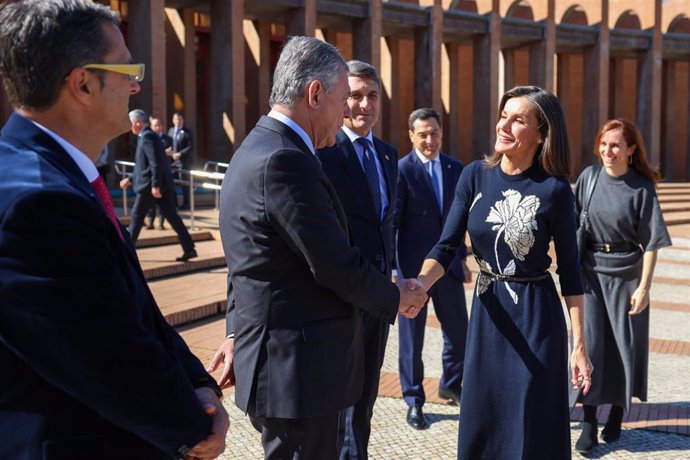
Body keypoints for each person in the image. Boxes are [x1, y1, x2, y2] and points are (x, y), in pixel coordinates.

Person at [0, 1, 228, 459]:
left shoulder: (59, 177)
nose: (137, 85)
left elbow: (135, 309)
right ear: (82, 83)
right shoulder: (38, 201)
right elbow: (108, 357)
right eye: (127, 69)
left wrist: (199, 382)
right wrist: (193, 425)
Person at [212, 36, 427, 459]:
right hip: (296, 374)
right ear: (315, 94)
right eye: (343, 97)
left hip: (290, 367)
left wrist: (237, 329)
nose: (346, 110)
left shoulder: (260, 145)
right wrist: (396, 295)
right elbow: (332, 262)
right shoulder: (284, 160)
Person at [415, 86, 593, 459]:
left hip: (537, 316)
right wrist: (418, 287)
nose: (505, 125)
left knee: (533, 416)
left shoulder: (555, 189)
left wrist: (579, 346)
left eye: (518, 120)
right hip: (489, 311)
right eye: (503, 115)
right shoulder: (474, 176)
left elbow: (571, 272)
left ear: (541, 134)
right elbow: (447, 246)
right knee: (486, 412)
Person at [573, 119, 672, 454]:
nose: (607, 151)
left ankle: (616, 412)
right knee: (592, 346)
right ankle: (588, 422)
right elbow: (570, 224)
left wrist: (644, 287)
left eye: (615, 145)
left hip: (628, 276)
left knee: (622, 347)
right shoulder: (588, 178)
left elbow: (653, 242)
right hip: (590, 274)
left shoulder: (642, 186)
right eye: (603, 143)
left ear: (631, 150)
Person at [315, 59, 398, 459]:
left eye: (372, 96)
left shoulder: (387, 155)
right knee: (341, 402)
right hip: (342, 297)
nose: (364, 105)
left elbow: (387, 224)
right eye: (354, 95)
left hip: (378, 298)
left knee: (365, 399)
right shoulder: (324, 152)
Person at [394, 108, 471, 430]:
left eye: (434, 133)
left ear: (442, 133)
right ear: (411, 135)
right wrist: (397, 274)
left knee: (459, 332)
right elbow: (393, 225)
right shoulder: (400, 171)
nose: (429, 140)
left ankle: (450, 384)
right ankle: (414, 400)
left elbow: (461, 219)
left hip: (449, 269)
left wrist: (464, 258)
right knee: (412, 339)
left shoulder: (456, 168)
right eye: (422, 134)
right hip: (413, 274)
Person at [120, 109, 197, 261]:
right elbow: (143, 165)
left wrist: (155, 186)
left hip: (151, 187)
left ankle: (126, 255)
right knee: (172, 217)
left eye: (131, 123)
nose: (130, 127)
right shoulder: (146, 136)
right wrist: (130, 178)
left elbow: (155, 163)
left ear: (137, 123)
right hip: (157, 186)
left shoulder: (148, 136)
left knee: (136, 218)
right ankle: (189, 248)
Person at [146, 116, 173, 230]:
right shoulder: (148, 138)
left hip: (164, 175)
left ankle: (161, 223)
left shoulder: (167, 139)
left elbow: (170, 153)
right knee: (150, 202)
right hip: (152, 175)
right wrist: (163, 152)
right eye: (154, 125)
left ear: (162, 126)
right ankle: (150, 222)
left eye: (158, 125)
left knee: (164, 203)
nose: (157, 127)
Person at [168, 112, 194, 209]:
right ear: (173, 121)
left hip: (183, 162)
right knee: (171, 182)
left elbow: (190, 146)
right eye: (176, 119)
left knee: (184, 183)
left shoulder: (187, 131)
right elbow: (168, 143)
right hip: (172, 161)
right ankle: (174, 203)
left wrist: (180, 154)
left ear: (182, 120)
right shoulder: (170, 131)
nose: (178, 121)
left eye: (180, 119)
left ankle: (186, 204)